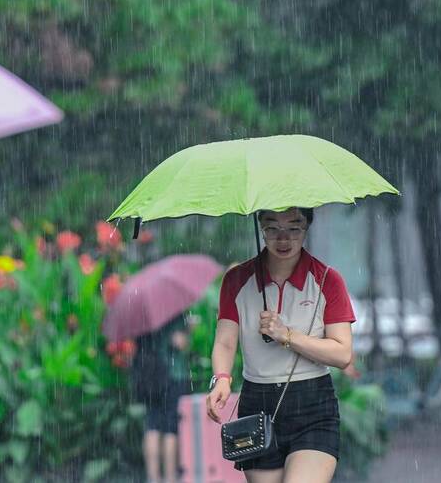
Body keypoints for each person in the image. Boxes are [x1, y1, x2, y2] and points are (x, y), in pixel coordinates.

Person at [206, 207, 355, 483]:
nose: (283, 238)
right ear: (260, 226)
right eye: (272, 228)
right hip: (257, 403)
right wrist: (222, 379)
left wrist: (286, 335)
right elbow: (225, 342)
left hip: (313, 403)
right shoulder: (237, 279)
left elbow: (343, 353)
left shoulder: (327, 280)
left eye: (294, 228)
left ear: (307, 227)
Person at [131, 316, 191, 483]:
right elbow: (181, 343)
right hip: (172, 375)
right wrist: (187, 331)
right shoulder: (174, 313)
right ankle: (170, 477)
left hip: (150, 377)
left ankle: (153, 478)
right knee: (171, 427)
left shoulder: (141, 314)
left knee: (152, 424)